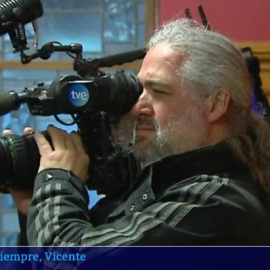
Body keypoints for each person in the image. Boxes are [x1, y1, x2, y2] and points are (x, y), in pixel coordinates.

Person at [8, 18, 270, 246]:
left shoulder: (217, 204)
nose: (137, 108)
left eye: (158, 91)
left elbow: (70, 260)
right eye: (140, 90)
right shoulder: (163, 181)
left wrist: (57, 178)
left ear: (215, 105)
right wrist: (34, 210)